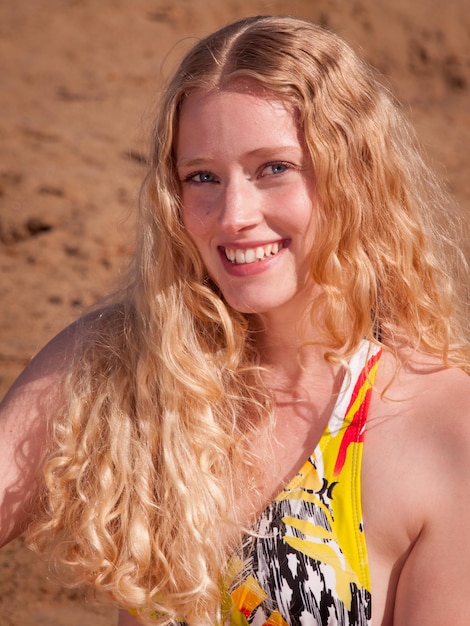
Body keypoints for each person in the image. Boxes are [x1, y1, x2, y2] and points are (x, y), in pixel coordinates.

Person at [1, 14, 470, 626]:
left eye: (274, 168)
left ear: (355, 176)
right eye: (203, 177)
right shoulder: (121, 363)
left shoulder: (442, 432)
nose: (233, 216)